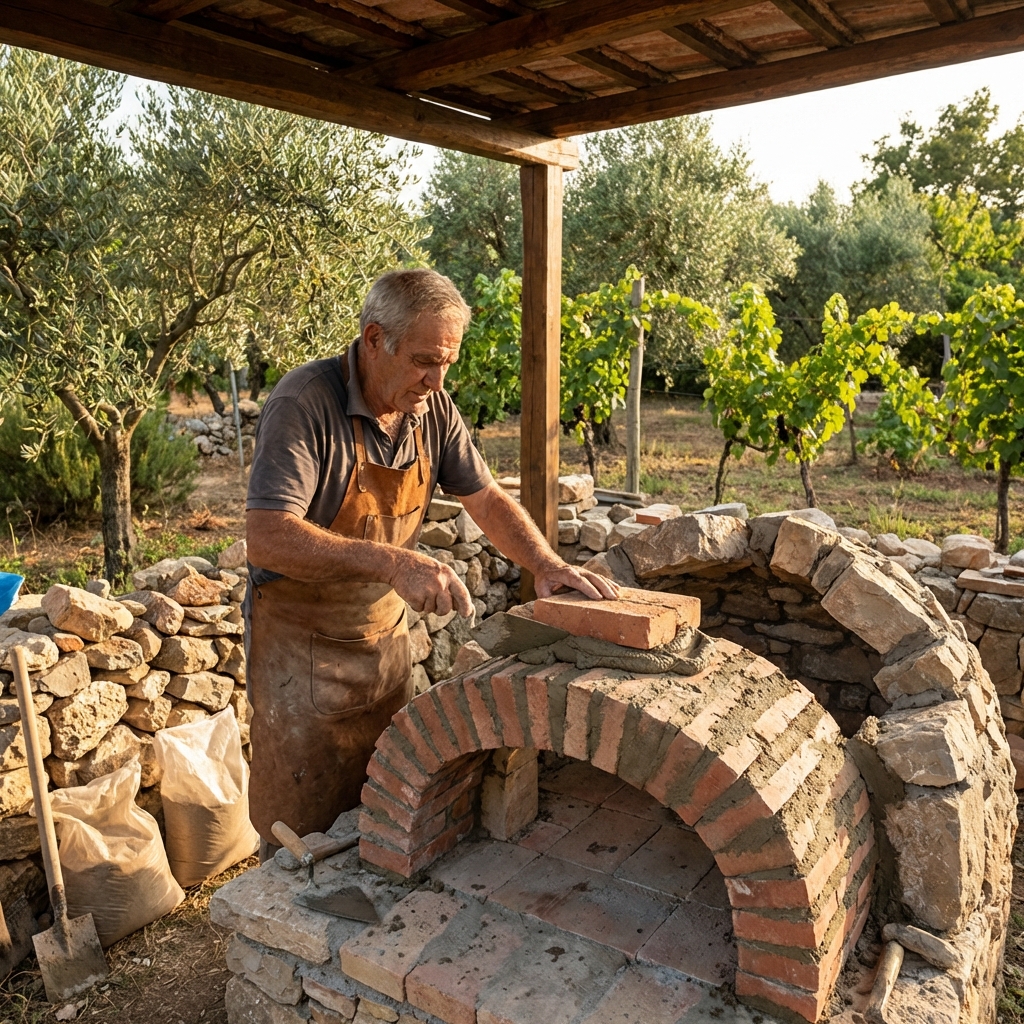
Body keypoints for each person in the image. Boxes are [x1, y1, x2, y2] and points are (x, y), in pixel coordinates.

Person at [244, 268, 618, 858]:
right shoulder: (304, 404)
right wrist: (393, 563)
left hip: (381, 642)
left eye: (447, 362)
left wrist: (544, 564)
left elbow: (488, 498)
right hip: (298, 650)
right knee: (303, 835)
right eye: (424, 360)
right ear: (374, 340)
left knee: (385, 802)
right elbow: (266, 537)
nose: (437, 380)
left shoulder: (432, 409)